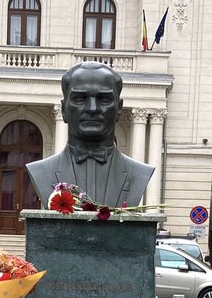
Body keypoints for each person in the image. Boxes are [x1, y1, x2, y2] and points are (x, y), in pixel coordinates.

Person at [26, 61, 154, 207]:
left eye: (104, 99)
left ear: (119, 109)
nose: (92, 109)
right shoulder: (41, 172)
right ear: (63, 110)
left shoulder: (139, 174)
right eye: (79, 99)